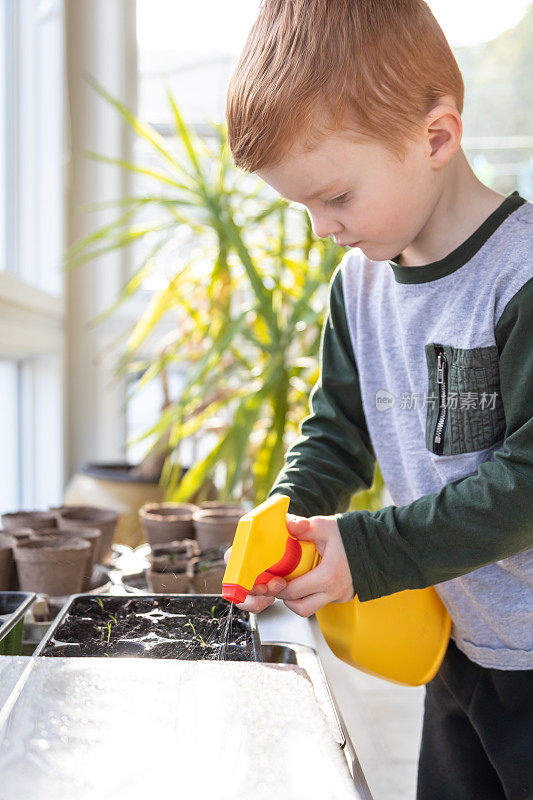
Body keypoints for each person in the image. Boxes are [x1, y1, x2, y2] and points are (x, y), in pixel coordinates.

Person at [224, 1, 533, 798]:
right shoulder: (358, 286)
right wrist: (286, 519)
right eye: (304, 208)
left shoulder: (519, 278)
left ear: (434, 136)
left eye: (335, 197)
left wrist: (367, 551)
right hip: (462, 647)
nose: (322, 228)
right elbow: (335, 433)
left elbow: (528, 482)